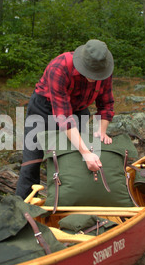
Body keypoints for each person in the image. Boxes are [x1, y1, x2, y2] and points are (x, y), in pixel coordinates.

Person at [15, 39, 115, 199]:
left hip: (78, 109)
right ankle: (20, 211)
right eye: (89, 73)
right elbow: (64, 117)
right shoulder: (59, 67)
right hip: (43, 109)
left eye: (96, 75)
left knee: (74, 162)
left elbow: (106, 104)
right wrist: (86, 152)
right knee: (31, 164)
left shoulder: (104, 70)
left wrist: (101, 131)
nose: (93, 78)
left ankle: (72, 204)